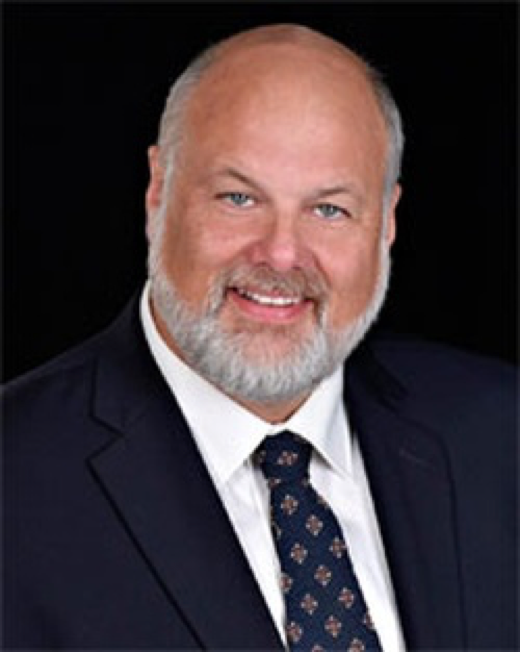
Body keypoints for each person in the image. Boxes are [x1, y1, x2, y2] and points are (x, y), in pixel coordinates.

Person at [3, 23, 516, 651]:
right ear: (159, 190)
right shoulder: (15, 482)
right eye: (239, 198)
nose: (280, 253)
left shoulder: (500, 434)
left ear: (386, 222)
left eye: (329, 209)